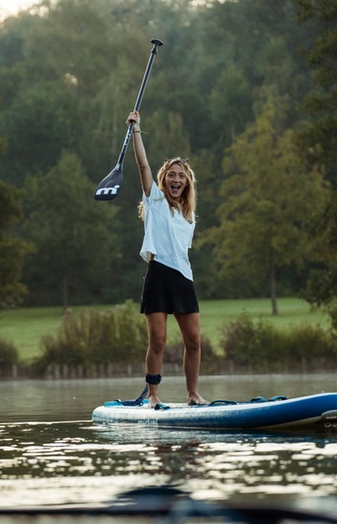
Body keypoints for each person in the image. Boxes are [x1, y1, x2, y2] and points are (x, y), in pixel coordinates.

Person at [127, 109, 208, 410]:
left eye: (181, 176)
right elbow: (142, 165)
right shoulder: (156, 200)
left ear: (187, 183)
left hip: (183, 279)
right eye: (171, 175)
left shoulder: (190, 216)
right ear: (164, 179)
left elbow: (182, 251)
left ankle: (192, 394)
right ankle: (154, 397)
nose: (176, 179)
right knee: (158, 341)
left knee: (194, 342)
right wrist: (136, 130)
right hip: (158, 274)